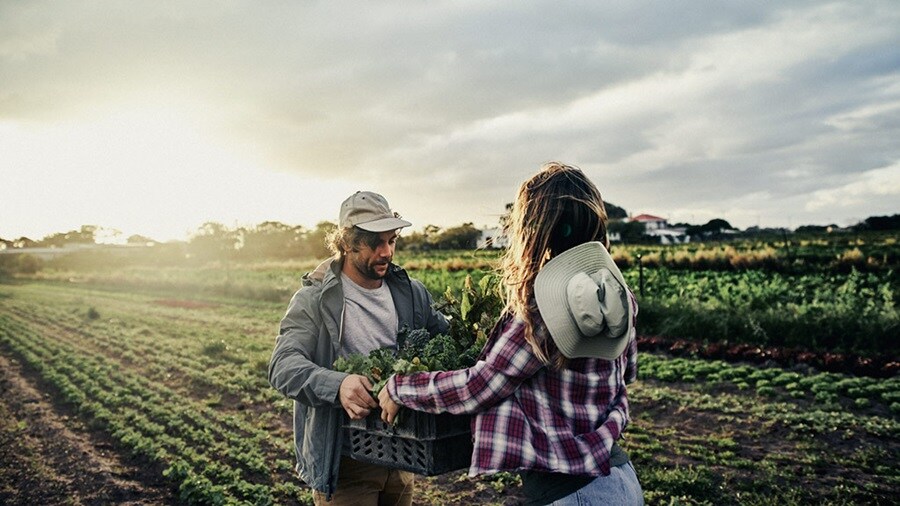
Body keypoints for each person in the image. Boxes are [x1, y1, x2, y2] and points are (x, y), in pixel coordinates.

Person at [378, 163, 644, 505]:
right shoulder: (617, 296)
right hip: (619, 479)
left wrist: (400, 387)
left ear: (533, 229)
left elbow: (479, 387)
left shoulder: (543, 308)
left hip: (570, 491)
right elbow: (628, 373)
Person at [268, 191, 449, 505]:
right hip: (346, 461)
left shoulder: (412, 293)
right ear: (347, 242)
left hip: (404, 457)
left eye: (392, 240)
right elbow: (282, 366)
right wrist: (338, 385)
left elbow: (449, 342)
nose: (386, 252)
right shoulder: (314, 299)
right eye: (375, 242)